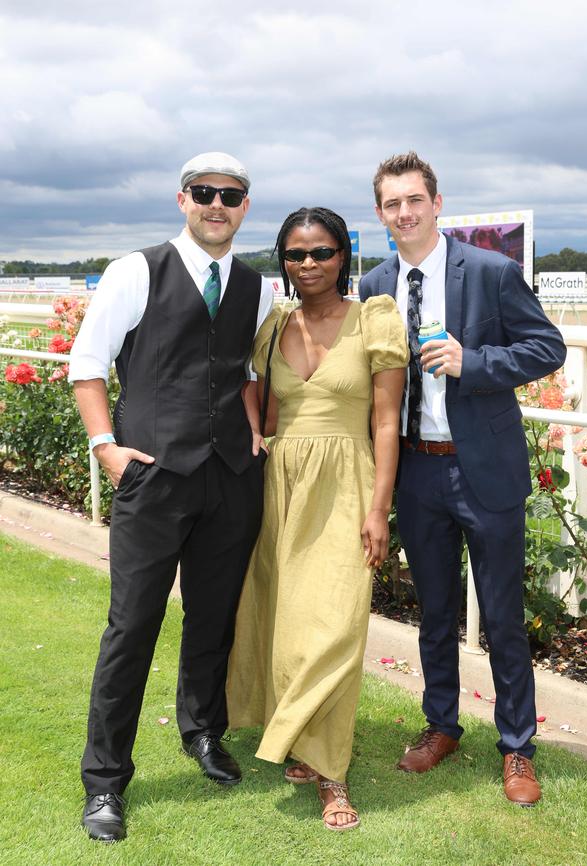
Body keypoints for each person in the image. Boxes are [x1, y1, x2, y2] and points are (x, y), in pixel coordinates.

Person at [68, 151, 274, 842]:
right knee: (132, 627)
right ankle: (104, 781)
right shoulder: (137, 270)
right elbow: (87, 367)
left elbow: (246, 372)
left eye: (232, 195)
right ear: (182, 199)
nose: (218, 204)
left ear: (246, 206)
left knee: (213, 620)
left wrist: (252, 431)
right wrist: (108, 450)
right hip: (152, 478)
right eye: (205, 193)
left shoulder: (257, 286)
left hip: (231, 479)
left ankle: (203, 733)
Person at [359, 152, 567, 806]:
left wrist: (470, 360)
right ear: (380, 213)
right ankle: (442, 726)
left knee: (504, 617)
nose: (405, 213)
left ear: (437, 202)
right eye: (392, 204)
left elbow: (546, 348)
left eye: (414, 199)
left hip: (486, 472)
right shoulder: (374, 286)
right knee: (436, 613)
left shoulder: (491, 271)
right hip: (418, 471)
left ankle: (517, 749)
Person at [226, 207, 408, 831]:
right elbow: (259, 396)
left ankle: (333, 775)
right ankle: (304, 743)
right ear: (283, 259)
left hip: (348, 485)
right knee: (285, 620)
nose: (309, 265)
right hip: (283, 486)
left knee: (334, 627)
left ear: (343, 257)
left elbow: (386, 422)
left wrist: (379, 508)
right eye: (296, 254)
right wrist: (253, 431)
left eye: (322, 253)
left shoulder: (374, 320)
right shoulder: (275, 326)